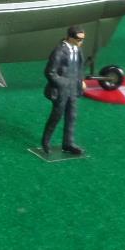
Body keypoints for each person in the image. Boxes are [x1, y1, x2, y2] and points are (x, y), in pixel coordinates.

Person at [41, 25, 87, 157]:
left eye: (82, 39)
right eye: (79, 39)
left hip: (73, 90)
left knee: (72, 116)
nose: (81, 42)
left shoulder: (78, 50)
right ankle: (46, 142)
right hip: (61, 91)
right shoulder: (59, 51)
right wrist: (65, 83)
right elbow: (50, 72)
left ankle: (68, 143)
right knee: (56, 116)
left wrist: (81, 81)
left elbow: (79, 68)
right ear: (70, 38)